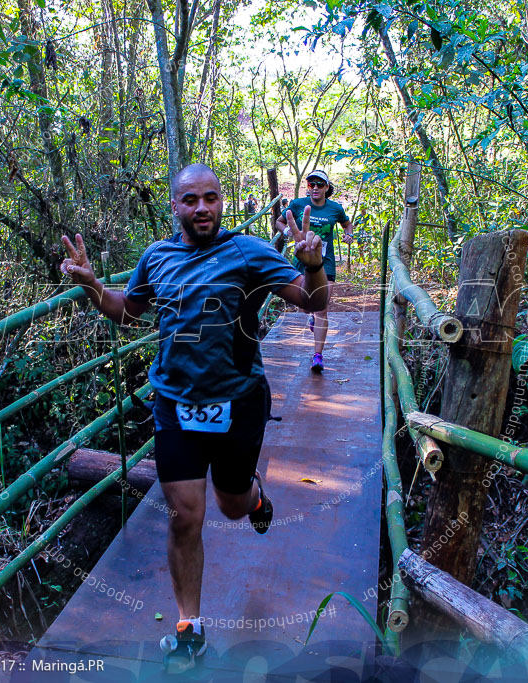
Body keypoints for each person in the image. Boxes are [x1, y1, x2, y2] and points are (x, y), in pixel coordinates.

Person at [59, 163, 328, 673]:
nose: (201, 207)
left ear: (222, 201)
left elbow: (312, 301)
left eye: (210, 197)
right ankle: (190, 629)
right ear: (175, 206)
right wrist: (93, 284)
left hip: (239, 401)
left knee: (229, 506)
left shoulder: (249, 252)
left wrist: (312, 265)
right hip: (174, 404)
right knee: (185, 516)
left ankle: (254, 495)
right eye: (190, 200)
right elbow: (129, 311)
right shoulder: (156, 257)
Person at [274, 169, 354, 373]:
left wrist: (348, 235)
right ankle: (311, 315)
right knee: (305, 305)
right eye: (311, 184)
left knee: (322, 307)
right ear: (308, 187)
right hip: (302, 260)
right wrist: (288, 232)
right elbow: (279, 222)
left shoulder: (335, 209)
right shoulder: (298, 205)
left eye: (320, 184)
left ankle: (318, 355)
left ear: (327, 188)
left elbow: (347, 224)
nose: (315, 188)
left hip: (324, 262)